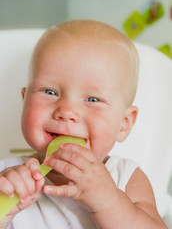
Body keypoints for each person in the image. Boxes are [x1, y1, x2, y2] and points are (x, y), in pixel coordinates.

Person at [0, 20, 167, 229]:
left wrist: (109, 202)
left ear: (124, 123)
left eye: (93, 100)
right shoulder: (7, 176)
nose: (67, 111)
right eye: (50, 92)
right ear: (24, 100)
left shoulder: (125, 177)